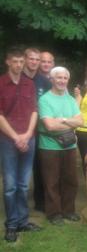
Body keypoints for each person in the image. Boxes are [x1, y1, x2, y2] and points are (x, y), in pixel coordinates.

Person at [0, 47, 41, 242]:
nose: (18, 65)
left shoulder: (29, 84)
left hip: (28, 137)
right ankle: (11, 224)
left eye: (20, 62)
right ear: (8, 62)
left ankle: (23, 221)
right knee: (10, 185)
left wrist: (26, 135)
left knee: (24, 184)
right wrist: (16, 137)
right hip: (8, 140)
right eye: (15, 62)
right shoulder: (1, 83)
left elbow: (34, 111)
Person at [38, 66, 83, 225]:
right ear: (52, 79)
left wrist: (62, 120)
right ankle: (54, 213)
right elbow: (49, 126)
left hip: (69, 146)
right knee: (52, 181)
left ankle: (68, 210)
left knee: (71, 180)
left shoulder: (71, 100)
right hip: (49, 146)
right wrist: (70, 123)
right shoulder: (44, 99)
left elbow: (80, 121)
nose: (62, 80)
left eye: (65, 78)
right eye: (58, 77)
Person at [23, 47, 52, 212]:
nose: (34, 62)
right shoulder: (19, 78)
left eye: (37, 60)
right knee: (21, 170)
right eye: (31, 59)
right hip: (21, 130)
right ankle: (19, 205)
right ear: (26, 59)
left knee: (40, 167)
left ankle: (40, 202)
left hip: (40, 130)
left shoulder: (45, 82)